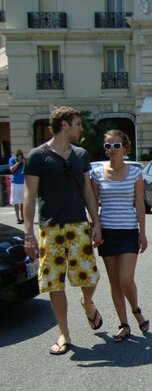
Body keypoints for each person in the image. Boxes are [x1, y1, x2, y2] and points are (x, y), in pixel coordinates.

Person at [23, 106, 103, 355]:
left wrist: (96, 222)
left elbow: (87, 190)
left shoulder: (81, 154)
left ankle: (87, 303)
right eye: (78, 124)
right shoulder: (38, 155)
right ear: (65, 125)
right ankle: (64, 334)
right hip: (50, 228)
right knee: (54, 284)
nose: (81, 128)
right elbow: (30, 194)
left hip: (78, 225)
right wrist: (28, 233)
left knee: (89, 278)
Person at [90, 130, 149, 342]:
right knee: (114, 281)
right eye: (108, 146)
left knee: (126, 278)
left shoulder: (135, 173)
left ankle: (136, 310)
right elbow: (93, 204)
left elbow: (140, 204)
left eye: (116, 146)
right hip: (107, 232)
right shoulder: (96, 173)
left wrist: (143, 233)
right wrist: (95, 227)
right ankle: (124, 324)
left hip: (128, 231)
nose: (112, 150)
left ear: (125, 148)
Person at [8, 149, 25, 223]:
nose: (20, 157)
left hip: (23, 183)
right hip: (15, 183)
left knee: (23, 201)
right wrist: (18, 162)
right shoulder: (12, 160)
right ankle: (17, 218)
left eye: (21, 155)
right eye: (18, 155)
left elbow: (28, 170)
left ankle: (23, 217)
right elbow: (11, 170)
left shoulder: (24, 160)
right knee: (16, 201)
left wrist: (24, 163)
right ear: (16, 155)